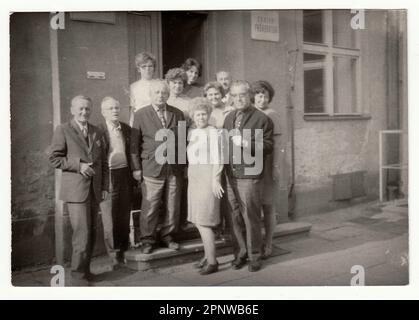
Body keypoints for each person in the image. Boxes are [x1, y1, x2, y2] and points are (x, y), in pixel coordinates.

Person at [48, 95, 108, 285]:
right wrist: (79, 165)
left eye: (87, 109)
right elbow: (54, 158)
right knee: (81, 234)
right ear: (72, 110)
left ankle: (86, 271)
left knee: (91, 232)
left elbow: (103, 163)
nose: (84, 112)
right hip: (76, 192)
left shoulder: (97, 131)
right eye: (80, 109)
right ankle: (77, 276)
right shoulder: (63, 130)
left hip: (94, 190)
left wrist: (105, 187)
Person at [130, 79, 186, 254]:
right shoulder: (140, 114)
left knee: (172, 205)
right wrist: (136, 168)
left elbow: (183, 142)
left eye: (163, 92)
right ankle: (147, 239)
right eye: (157, 92)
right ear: (150, 95)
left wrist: (183, 165)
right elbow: (133, 145)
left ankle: (168, 236)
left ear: (168, 95)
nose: (160, 96)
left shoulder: (178, 113)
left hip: (174, 168)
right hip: (151, 167)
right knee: (151, 205)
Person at [223, 80, 274, 272]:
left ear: (249, 95)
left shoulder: (262, 119)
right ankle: (241, 253)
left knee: (250, 216)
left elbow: (268, 146)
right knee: (234, 216)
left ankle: (254, 255)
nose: (238, 99)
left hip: (250, 175)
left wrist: (245, 142)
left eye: (242, 95)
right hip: (230, 174)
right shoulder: (229, 118)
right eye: (234, 96)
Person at [187, 98, 224, 275]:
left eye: (204, 114)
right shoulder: (192, 132)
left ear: (208, 115)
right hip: (195, 178)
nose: (201, 117)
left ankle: (212, 261)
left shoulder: (213, 132)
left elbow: (218, 158)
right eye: (197, 114)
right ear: (192, 116)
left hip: (208, 178)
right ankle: (207, 255)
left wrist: (215, 179)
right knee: (198, 219)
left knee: (204, 221)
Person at [98, 97, 133, 268]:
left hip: (124, 174)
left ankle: (124, 251)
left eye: (117, 107)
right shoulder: (98, 131)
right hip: (108, 176)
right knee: (109, 217)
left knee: (124, 215)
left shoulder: (126, 129)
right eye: (110, 108)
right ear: (103, 112)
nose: (115, 111)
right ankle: (113, 256)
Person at [252, 80, 282, 259]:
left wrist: (277, 167)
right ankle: (255, 242)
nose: (262, 99)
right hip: (252, 164)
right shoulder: (250, 113)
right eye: (258, 95)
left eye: (265, 96)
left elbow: (278, 144)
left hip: (268, 164)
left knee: (268, 206)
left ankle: (269, 243)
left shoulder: (272, 115)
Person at [129, 52, 157, 125]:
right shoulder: (133, 87)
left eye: (150, 66)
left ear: (154, 68)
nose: (147, 69)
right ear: (139, 69)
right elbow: (133, 109)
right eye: (144, 66)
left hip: (156, 121)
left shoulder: (159, 84)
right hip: (141, 121)